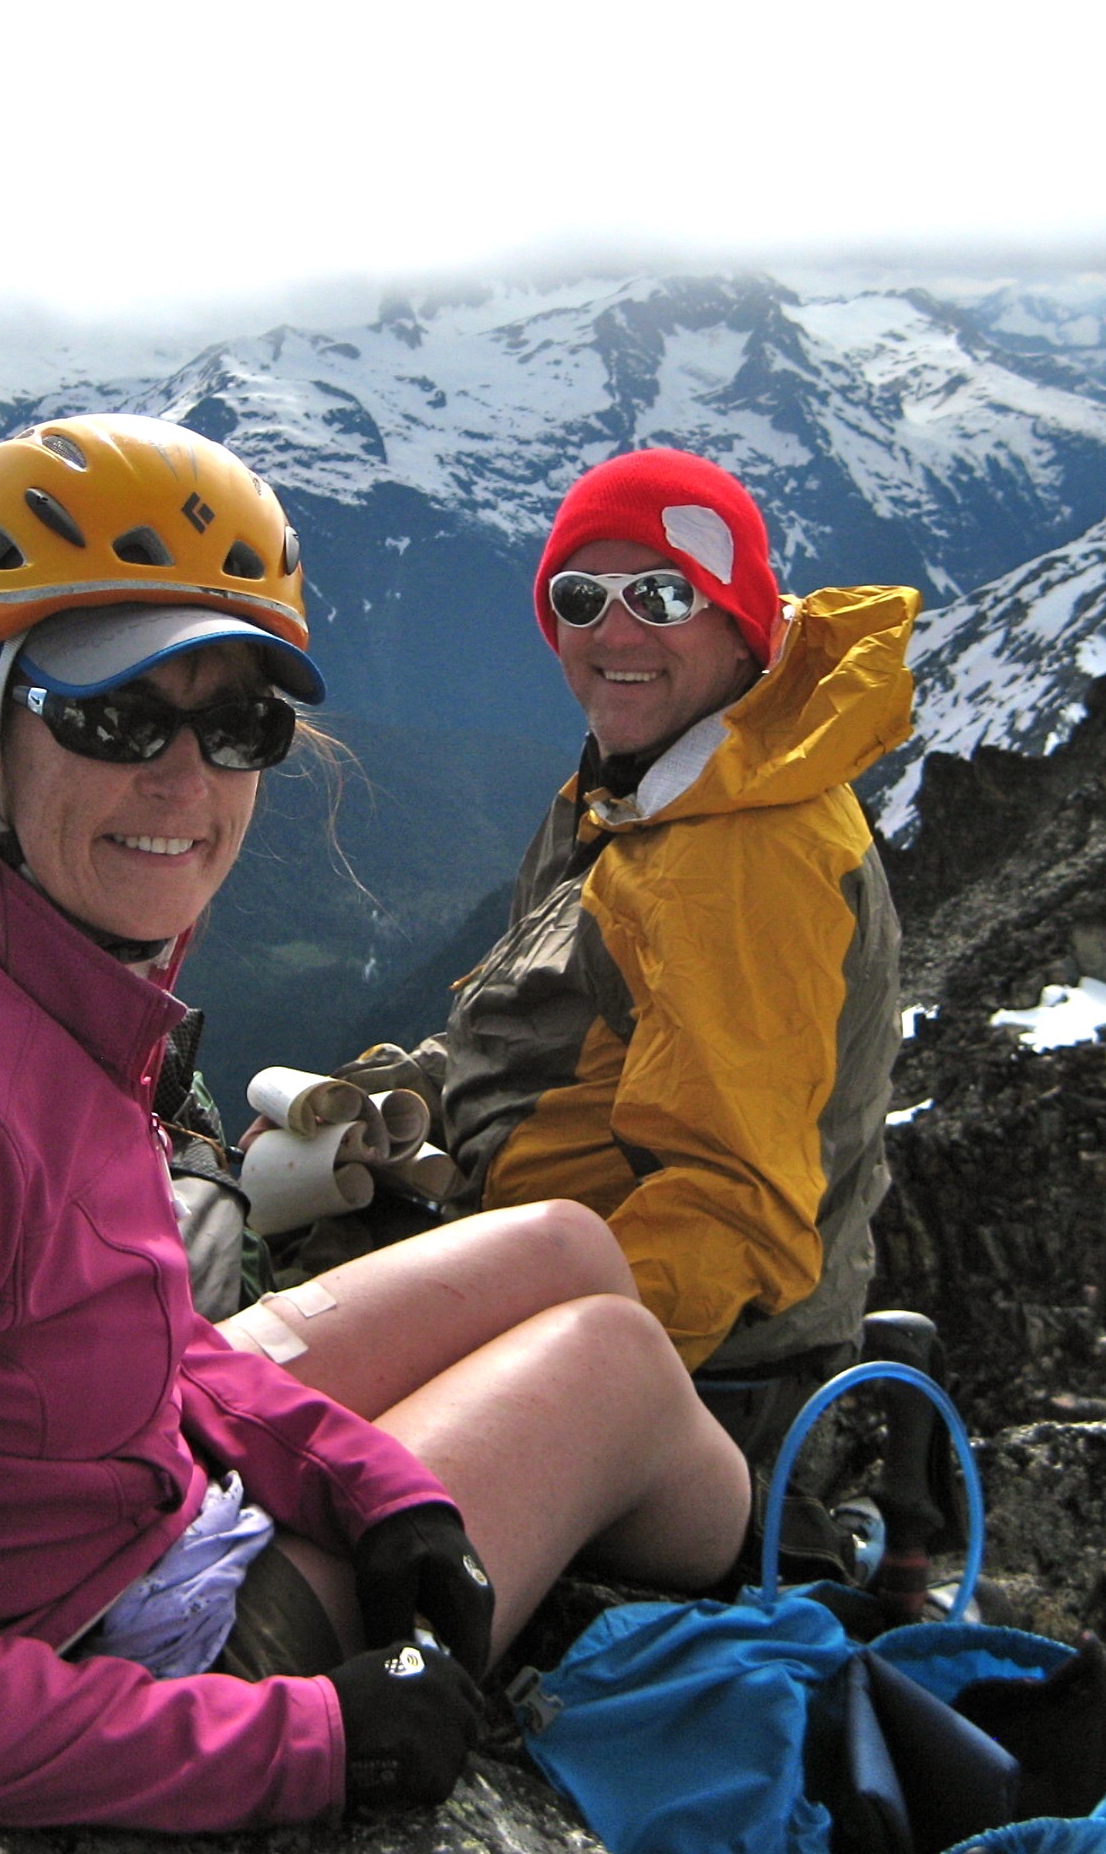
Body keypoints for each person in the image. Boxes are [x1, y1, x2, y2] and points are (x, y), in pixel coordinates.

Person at [0, 415, 748, 1835]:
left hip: (112, 1495)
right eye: (112, 716)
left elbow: (136, 1336)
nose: (186, 781)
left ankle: (677, 1522)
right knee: (609, 1365)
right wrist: (304, 1737)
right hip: (104, 1668)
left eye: (239, 723)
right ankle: (783, 1566)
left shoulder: (30, 974)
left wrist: (373, 1484)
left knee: (560, 1249)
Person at [353, 447, 919, 1465]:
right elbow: (550, 1028)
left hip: (692, 1379)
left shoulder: (749, 856)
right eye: (582, 597)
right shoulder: (647, 786)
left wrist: (505, 1362)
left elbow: (731, 1215)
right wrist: (390, 1098)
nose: (615, 632)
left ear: (740, 623)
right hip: (542, 1266)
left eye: (662, 596)